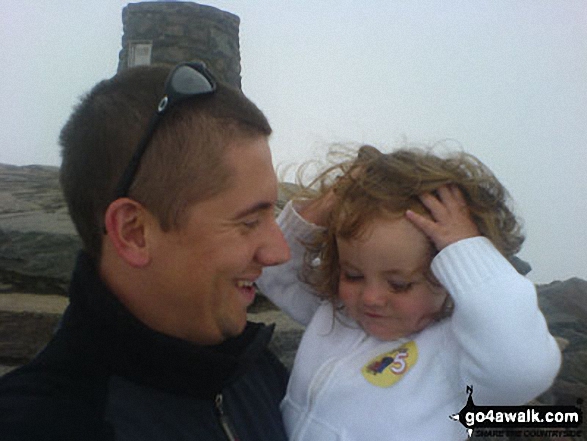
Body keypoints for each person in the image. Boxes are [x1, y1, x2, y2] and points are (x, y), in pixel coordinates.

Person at [0, 62, 291, 440]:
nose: (278, 251)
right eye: (249, 222)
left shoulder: (256, 371)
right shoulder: (41, 423)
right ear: (134, 233)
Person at [256, 144, 561, 440]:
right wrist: (330, 202)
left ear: (450, 279)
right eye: (353, 275)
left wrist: (466, 249)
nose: (371, 297)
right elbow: (271, 270)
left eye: (399, 284)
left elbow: (525, 369)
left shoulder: (454, 351)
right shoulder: (337, 313)